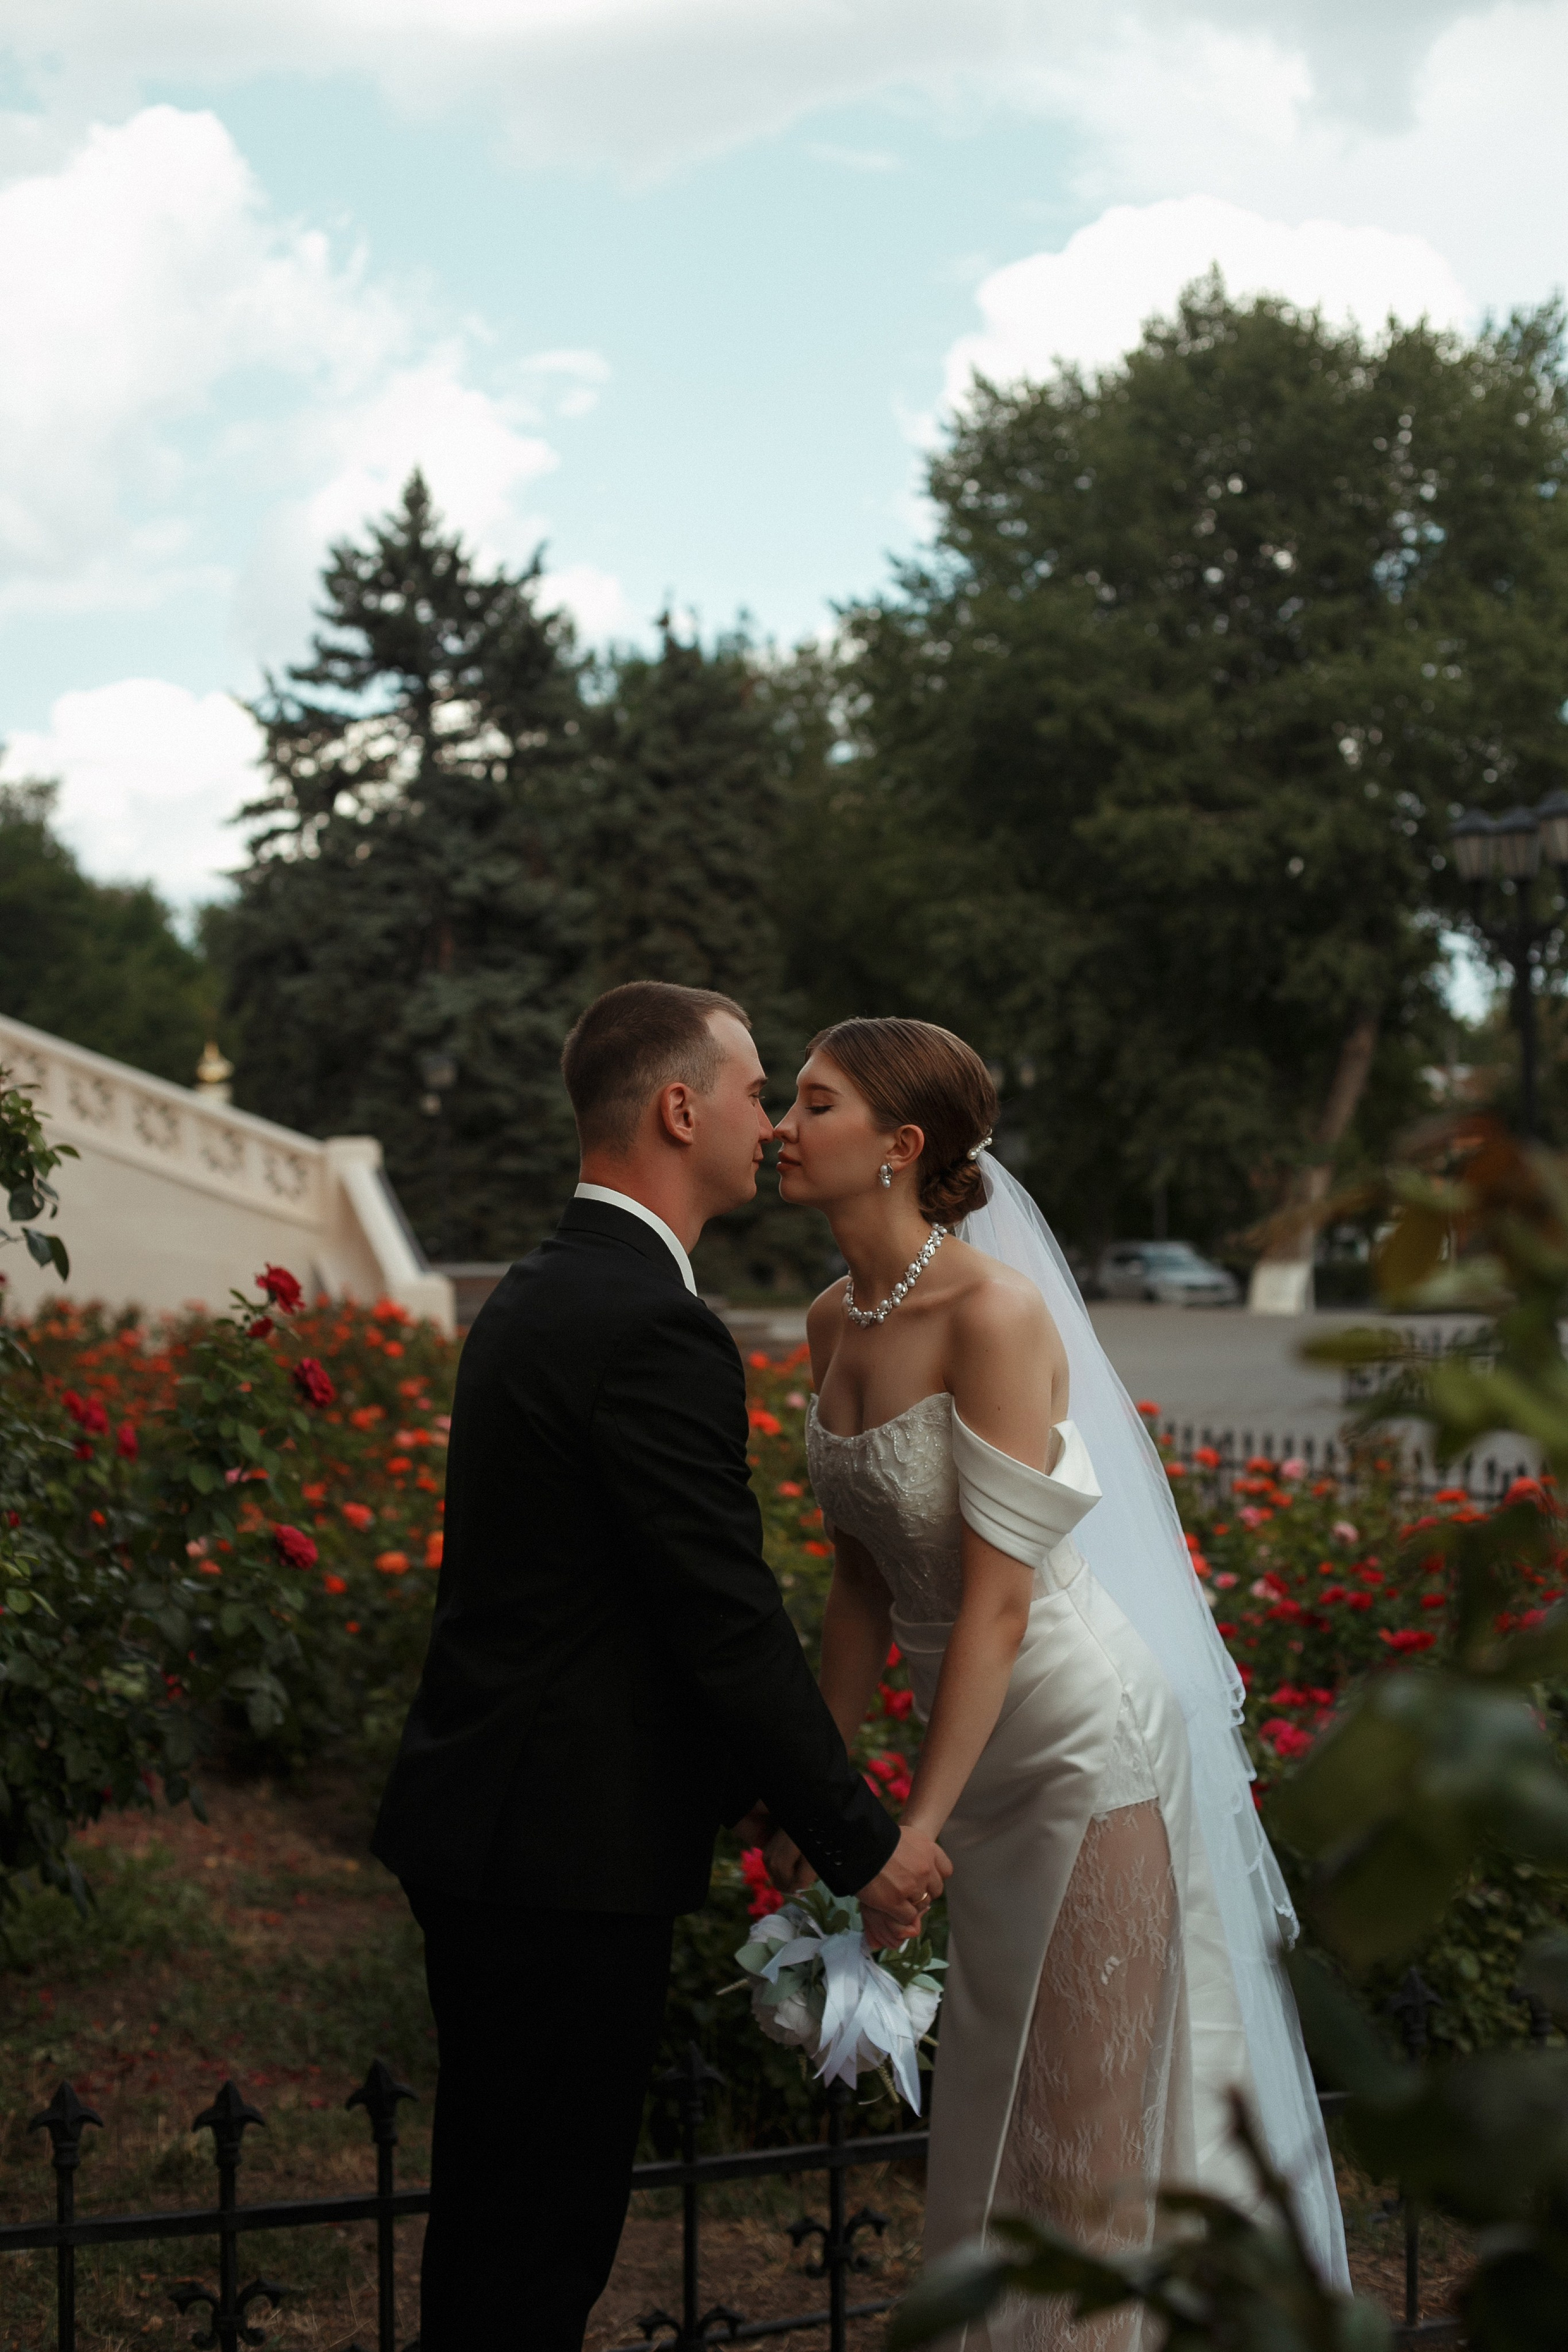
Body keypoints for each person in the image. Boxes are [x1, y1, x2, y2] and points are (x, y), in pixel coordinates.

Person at [371, 982, 949, 2351]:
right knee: (535, 2245)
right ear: (678, 1107)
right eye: (757, 1092)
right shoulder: (646, 1322)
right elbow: (720, 1614)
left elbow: (602, 1609)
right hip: (555, 1854)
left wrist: (737, 1788)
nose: (769, 1123)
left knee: (503, 2223)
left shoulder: (547, 1288)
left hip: (509, 1827)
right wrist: (859, 1840)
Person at [767, 1016, 1348, 2351]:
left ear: (897, 1148)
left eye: (812, 1103)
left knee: (1078, 2145)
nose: (779, 1128)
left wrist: (912, 1825)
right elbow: (856, 1590)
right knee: (989, 2111)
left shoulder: (992, 1312)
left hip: (1079, 1747)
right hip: (965, 1746)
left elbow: (1000, 1598)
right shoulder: (828, 1319)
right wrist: (815, 1787)